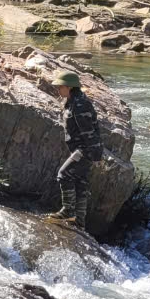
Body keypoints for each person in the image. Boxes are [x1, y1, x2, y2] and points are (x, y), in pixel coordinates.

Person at [48, 71, 104, 226]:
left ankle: (68, 210)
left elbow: (89, 132)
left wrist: (96, 155)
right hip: (80, 148)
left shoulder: (80, 105)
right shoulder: (71, 101)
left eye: (60, 87)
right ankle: (79, 221)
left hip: (85, 149)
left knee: (64, 174)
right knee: (80, 182)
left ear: (69, 87)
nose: (57, 90)